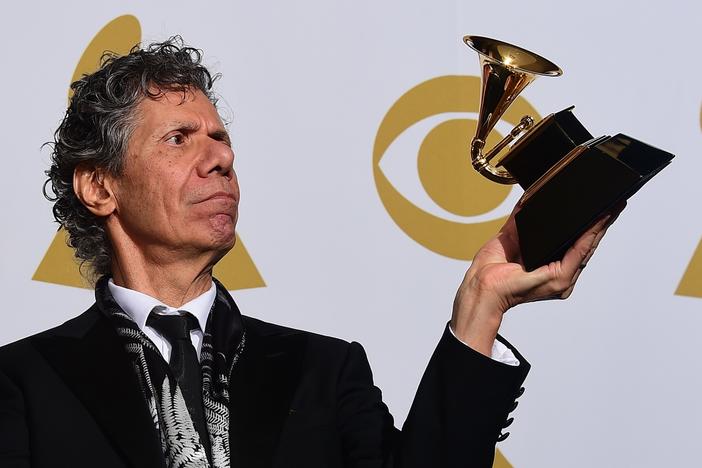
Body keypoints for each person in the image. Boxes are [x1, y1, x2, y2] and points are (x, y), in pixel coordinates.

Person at [0, 38, 619, 468]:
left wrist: (481, 307)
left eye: (221, 138)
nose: (219, 157)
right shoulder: (21, 383)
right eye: (178, 138)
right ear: (100, 186)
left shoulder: (325, 371)